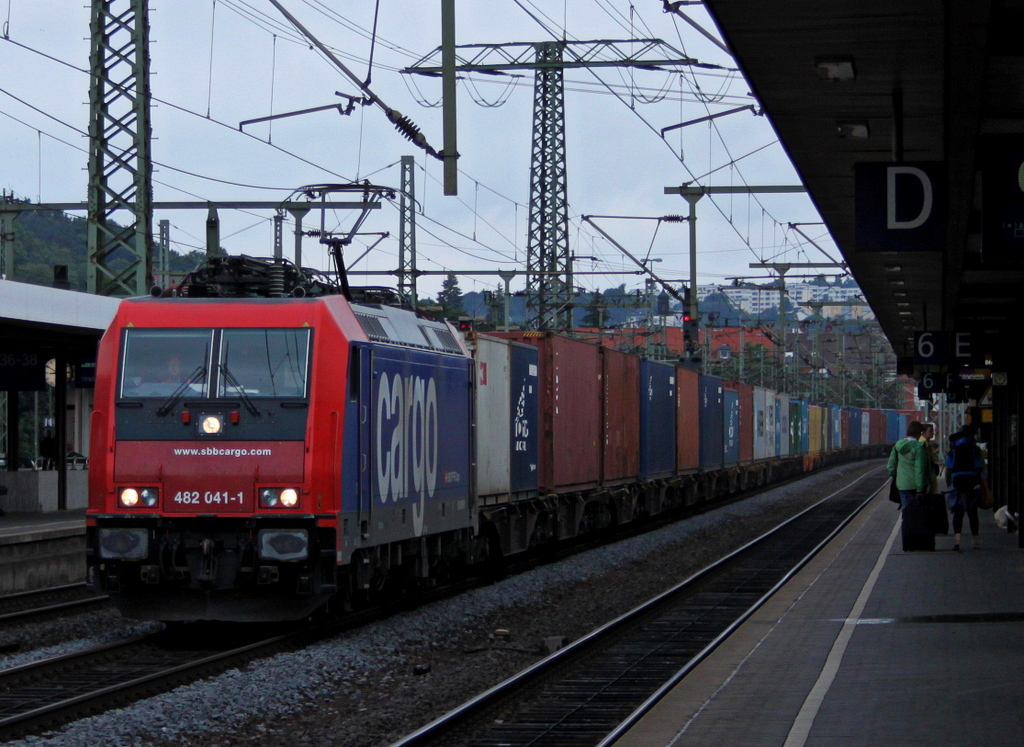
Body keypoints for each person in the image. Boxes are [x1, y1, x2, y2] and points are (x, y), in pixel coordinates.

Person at [945, 425, 985, 551]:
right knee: (972, 512)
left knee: (958, 511)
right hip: (972, 480)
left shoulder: (954, 447)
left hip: (957, 480)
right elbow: (980, 466)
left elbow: (949, 465)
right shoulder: (974, 448)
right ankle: (975, 541)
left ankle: (957, 541)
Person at [887, 420, 930, 509]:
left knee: (906, 511)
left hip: (902, 485)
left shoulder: (897, 445)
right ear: (918, 433)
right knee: (915, 514)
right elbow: (920, 469)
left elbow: (891, 466)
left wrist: (898, 477)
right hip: (914, 486)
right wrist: (920, 489)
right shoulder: (919, 447)